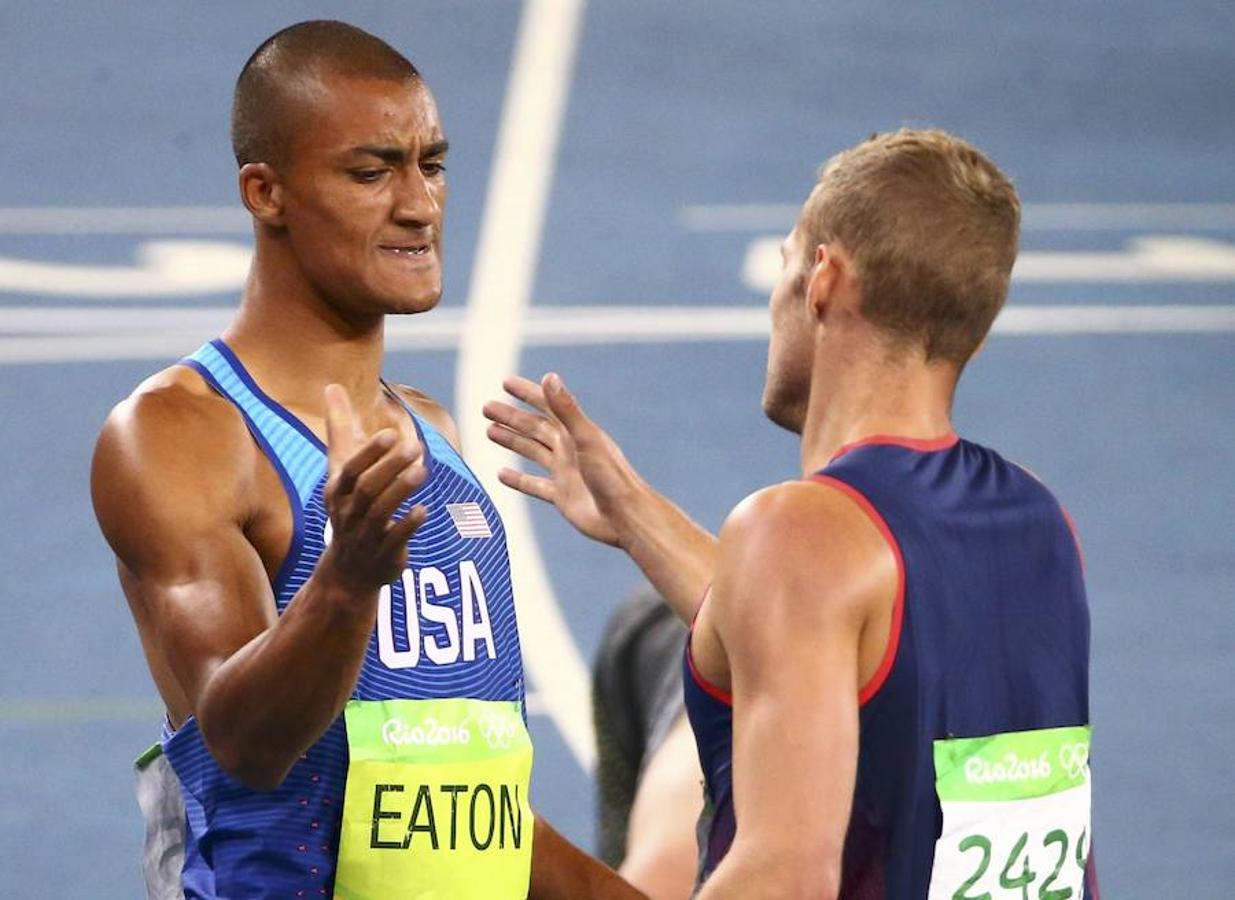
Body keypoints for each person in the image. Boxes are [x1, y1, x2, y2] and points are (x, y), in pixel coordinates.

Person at [92, 20, 641, 900]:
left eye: (432, 163)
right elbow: (244, 748)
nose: (420, 205)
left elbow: (472, 811)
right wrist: (344, 584)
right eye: (370, 171)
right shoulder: (180, 435)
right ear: (265, 192)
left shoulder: (435, 436)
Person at [485, 128, 1099, 897]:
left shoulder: (799, 533)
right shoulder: (1040, 522)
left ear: (823, 279)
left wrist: (501, 844)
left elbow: (784, 877)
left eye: (785, 261)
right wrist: (635, 513)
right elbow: (834, 642)